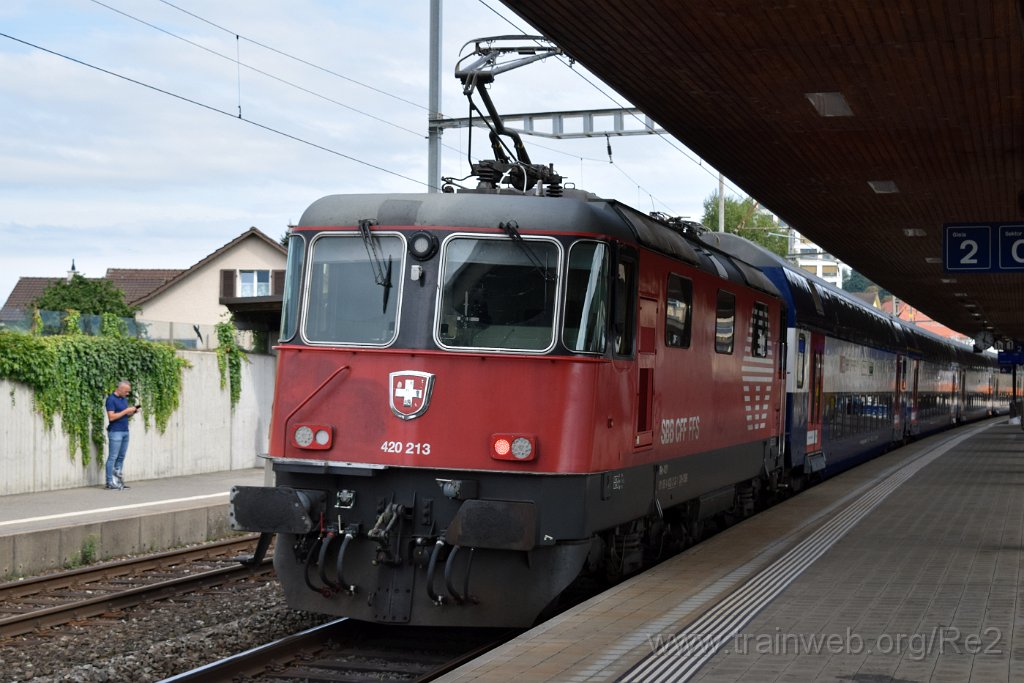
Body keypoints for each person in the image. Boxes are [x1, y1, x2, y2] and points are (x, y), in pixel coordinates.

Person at [105, 380, 139, 490]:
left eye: (128, 391)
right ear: (120, 389)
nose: (127, 393)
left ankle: (118, 482)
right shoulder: (111, 399)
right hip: (115, 432)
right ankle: (110, 482)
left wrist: (132, 412)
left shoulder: (124, 399)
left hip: (125, 431)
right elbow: (111, 417)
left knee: (121, 457)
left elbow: (123, 416)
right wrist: (126, 411)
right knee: (113, 457)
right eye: (126, 391)